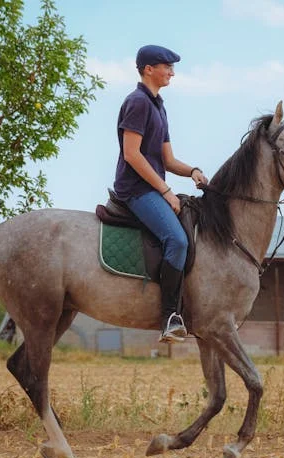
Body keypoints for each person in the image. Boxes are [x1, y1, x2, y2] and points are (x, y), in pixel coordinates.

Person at [113, 45, 208, 343]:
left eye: (172, 67)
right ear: (148, 69)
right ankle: (169, 316)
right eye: (166, 66)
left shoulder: (158, 106)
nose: (172, 71)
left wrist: (192, 170)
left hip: (152, 186)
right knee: (177, 241)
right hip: (136, 189)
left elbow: (167, 160)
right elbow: (132, 154)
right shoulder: (137, 102)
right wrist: (166, 190)